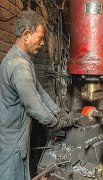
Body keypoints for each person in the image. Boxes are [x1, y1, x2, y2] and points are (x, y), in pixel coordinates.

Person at [0, 10, 75, 180]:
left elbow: (39, 91)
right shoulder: (19, 66)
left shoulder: (25, 60)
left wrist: (58, 111)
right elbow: (33, 105)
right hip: (12, 139)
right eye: (40, 37)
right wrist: (56, 123)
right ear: (26, 34)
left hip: (17, 136)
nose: (42, 43)